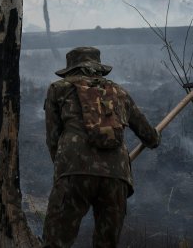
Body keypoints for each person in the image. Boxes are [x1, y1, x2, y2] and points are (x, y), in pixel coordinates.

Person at [42, 46, 161, 248]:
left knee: (55, 242)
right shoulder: (120, 92)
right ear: (99, 68)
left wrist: (63, 169)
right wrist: (155, 138)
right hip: (116, 177)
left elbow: (53, 138)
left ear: (71, 68)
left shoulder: (58, 89)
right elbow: (149, 137)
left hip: (74, 171)